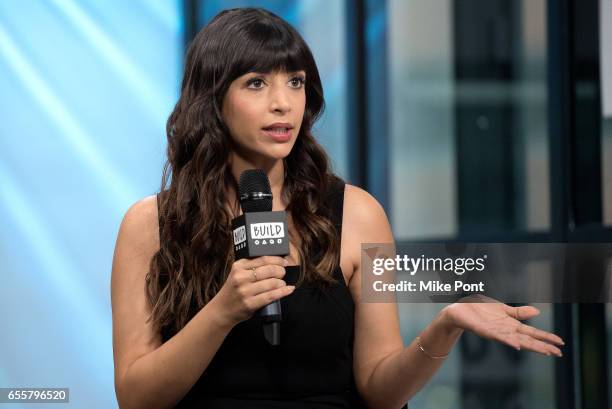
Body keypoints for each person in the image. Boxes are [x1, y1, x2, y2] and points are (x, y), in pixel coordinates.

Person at [110, 7, 564, 409]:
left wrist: (444, 327)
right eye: (256, 83)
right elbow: (136, 396)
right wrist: (222, 311)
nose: (282, 102)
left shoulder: (358, 213)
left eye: (295, 82)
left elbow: (380, 391)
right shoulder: (150, 224)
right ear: (212, 100)